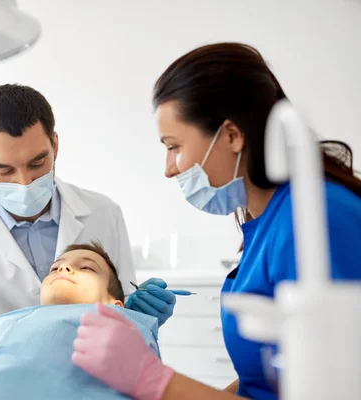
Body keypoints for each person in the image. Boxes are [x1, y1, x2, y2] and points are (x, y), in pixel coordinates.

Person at [70, 42, 361, 400]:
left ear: (232, 135)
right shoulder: (263, 224)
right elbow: (263, 377)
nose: (169, 168)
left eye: (174, 146)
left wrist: (155, 380)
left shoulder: (316, 217)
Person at [0, 84, 176, 374]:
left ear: (55, 146)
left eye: (37, 163)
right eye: (4, 170)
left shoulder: (103, 213)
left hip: (91, 380)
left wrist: (142, 317)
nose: (24, 182)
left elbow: (119, 307)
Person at [0, 242, 161, 399]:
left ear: (115, 305)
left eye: (87, 267)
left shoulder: (119, 329)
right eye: (55, 267)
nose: (64, 268)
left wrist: (132, 322)